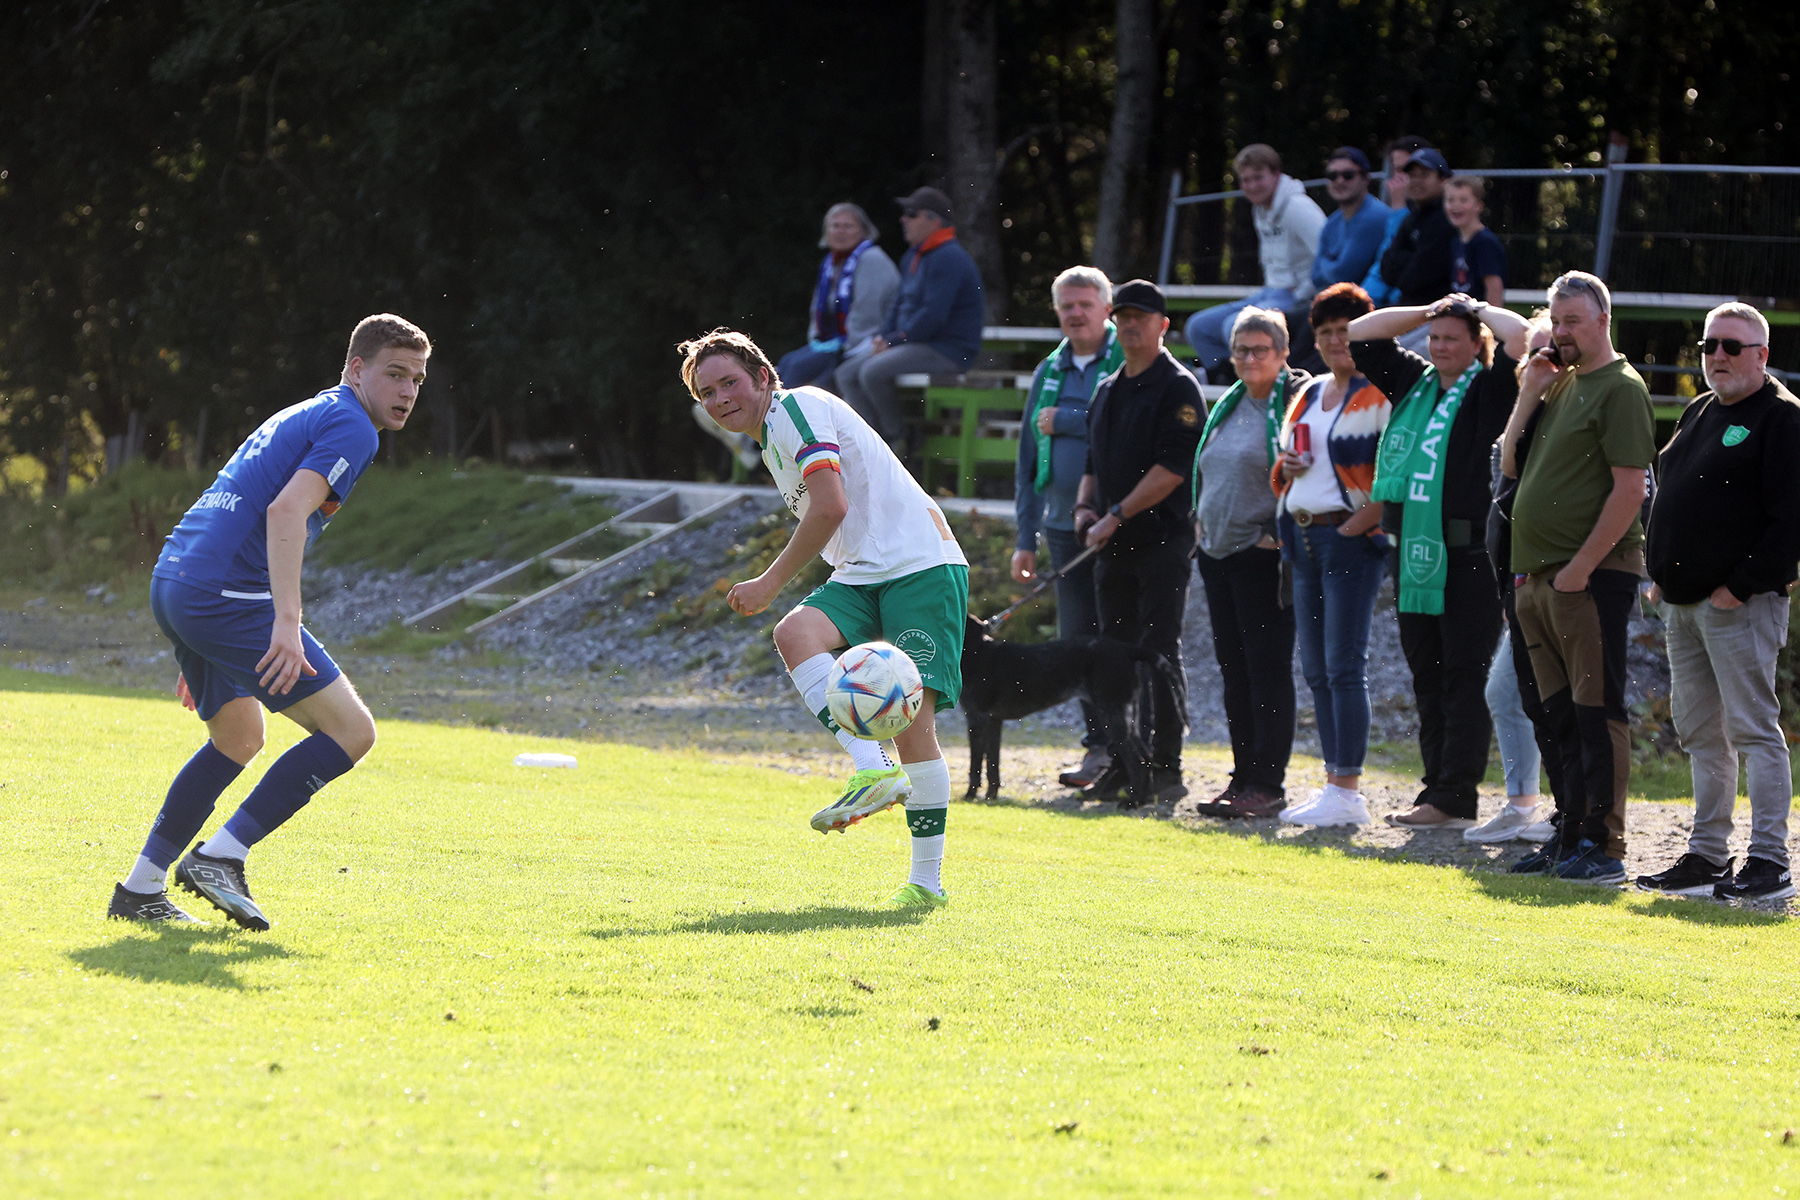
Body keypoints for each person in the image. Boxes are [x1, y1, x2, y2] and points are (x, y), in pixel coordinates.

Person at [108, 314, 432, 928]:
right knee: (352, 732)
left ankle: (140, 891)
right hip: (225, 593)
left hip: (179, 579)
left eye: (417, 379)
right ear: (356, 369)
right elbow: (284, 514)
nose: (408, 390)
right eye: (395, 374)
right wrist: (286, 620)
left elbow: (240, 497)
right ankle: (221, 856)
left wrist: (199, 632)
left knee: (238, 737)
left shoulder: (305, 411)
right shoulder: (352, 426)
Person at [683, 329, 968, 908]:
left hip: (919, 566)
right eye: (706, 393)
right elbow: (835, 512)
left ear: (763, 376)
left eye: (729, 383)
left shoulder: (794, 408)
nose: (719, 400)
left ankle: (926, 884)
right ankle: (871, 768)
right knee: (796, 633)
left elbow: (830, 505)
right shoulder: (769, 436)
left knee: (914, 727)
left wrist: (769, 581)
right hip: (865, 571)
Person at [1347, 294, 1530, 829]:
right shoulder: (1414, 382)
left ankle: (1456, 795)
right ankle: (1437, 791)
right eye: (1436, 338)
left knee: (1462, 674)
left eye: (1454, 337)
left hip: (1469, 554)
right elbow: (1362, 331)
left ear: (1477, 345)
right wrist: (1431, 310)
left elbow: (1521, 338)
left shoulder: (1492, 386)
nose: (1441, 345)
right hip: (1413, 555)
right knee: (1426, 673)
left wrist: (1476, 307)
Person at [1636, 303, 1800, 902]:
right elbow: (1670, 493)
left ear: (1762, 355)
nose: (1717, 357)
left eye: (1732, 346)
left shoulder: (1782, 418)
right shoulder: (1700, 409)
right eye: (1708, 346)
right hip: (1680, 603)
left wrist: (1739, 585)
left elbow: (1791, 523)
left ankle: (1770, 862)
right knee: (1702, 733)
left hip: (1739, 605)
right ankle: (1707, 856)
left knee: (1755, 731)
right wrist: (1658, 574)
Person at [1499, 271, 1657, 883]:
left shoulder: (1620, 388)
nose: (1561, 332)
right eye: (1555, 321)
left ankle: (1604, 846)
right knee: (1557, 713)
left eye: (1572, 322)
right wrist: (1530, 392)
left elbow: (1628, 491)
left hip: (1587, 579)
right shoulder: (1558, 384)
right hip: (1536, 578)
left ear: (1602, 322)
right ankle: (1568, 834)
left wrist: (1579, 570)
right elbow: (1511, 462)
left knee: (1597, 711)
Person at [1073, 280, 1204, 803]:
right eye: (1123, 316)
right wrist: (1085, 506)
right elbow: (1092, 460)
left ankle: (1166, 767)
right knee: (1114, 657)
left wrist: (1116, 515)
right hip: (1112, 546)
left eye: (1141, 316)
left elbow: (1174, 469)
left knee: (1157, 652)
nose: (1130, 324)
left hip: (1160, 542)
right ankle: (1125, 761)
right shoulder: (1108, 388)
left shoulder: (1178, 387)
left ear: (1162, 325)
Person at [1268, 284, 1391, 828]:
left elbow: (1392, 473)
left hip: (1348, 538)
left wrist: (1359, 526)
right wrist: (1285, 470)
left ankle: (1348, 787)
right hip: (1300, 536)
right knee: (1316, 667)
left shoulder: (1381, 394)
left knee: (1344, 664)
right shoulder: (1309, 391)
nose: (1336, 341)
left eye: (1345, 331)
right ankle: (1332, 783)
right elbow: (1288, 463)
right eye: (1325, 332)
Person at [1189, 309, 1312, 819]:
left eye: (1261, 349)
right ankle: (1242, 777)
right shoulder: (1230, 403)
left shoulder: (1293, 406)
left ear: (1283, 355)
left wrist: (1271, 538)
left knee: (1266, 671)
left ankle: (1267, 783)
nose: (1249, 358)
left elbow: (1306, 476)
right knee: (1234, 673)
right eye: (1241, 349)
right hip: (1217, 555)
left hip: (1260, 559)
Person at [1011, 266, 1126, 789]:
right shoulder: (1049, 369)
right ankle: (1097, 752)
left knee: (1121, 639)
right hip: (1060, 527)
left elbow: (1126, 419)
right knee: (1077, 641)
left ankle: (1134, 753)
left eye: (1085, 304)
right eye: (1066, 307)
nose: (1075, 314)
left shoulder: (1126, 358)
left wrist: (1068, 420)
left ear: (1107, 308)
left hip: (1119, 524)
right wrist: (1023, 537)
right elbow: (1027, 456)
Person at [1464, 316, 1560, 846]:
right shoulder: (1522, 420)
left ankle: (1578, 817)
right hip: (1521, 585)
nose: (1541, 364)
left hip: (1572, 585)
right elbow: (1505, 503)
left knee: (1569, 703)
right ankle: (1524, 805)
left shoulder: (1593, 409)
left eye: (1553, 353)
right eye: (1533, 355)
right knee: (1506, 691)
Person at [835, 186, 984, 446]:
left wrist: (894, 341)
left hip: (946, 350)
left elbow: (933, 317)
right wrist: (884, 336)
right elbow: (897, 305)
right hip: (916, 344)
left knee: (872, 372)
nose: (904, 219)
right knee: (846, 373)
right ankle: (871, 442)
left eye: (912, 214)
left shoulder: (948, 257)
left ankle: (896, 438)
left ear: (933, 220)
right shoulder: (914, 255)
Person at [1183, 145, 1325, 381]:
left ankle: (1256, 386)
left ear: (1276, 174)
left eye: (1258, 178)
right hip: (1269, 292)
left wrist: (1305, 292)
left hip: (1297, 297)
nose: (1251, 186)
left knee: (1235, 327)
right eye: (1245, 180)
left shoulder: (1298, 207)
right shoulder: (1261, 209)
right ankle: (1225, 381)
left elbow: (1328, 253)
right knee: (1198, 327)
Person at [776, 203, 901, 389]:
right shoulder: (831, 263)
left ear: (864, 231)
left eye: (848, 226)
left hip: (864, 342)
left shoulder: (872, 259)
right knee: (786, 362)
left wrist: (844, 347)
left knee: (799, 369)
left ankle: (784, 417)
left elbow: (868, 312)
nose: (840, 231)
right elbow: (817, 308)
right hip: (833, 342)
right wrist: (816, 340)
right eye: (835, 226)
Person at [1378, 149, 1458, 343]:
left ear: (1443, 180)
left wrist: (1405, 261)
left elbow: (1420, 277)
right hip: (1407, 309)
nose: (1416, 181)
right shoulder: (1410, 219)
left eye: (1424, 175)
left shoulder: (1447, 220)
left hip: (1438, 314)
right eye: (1412, 175)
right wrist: (1412, 260)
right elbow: (1386, 270)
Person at [1362, 136, 1434, 308]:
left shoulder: (1434, 217)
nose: (1399, 178)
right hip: (1379, 301)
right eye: (1396, 170)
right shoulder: (1398, 214)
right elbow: (1384, 265)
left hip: (1407, 305)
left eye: (1407, 170)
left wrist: (1400, 209)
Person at [1311, 149, 1391, 293]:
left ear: (1365, 179)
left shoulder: (1375, 216)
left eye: (1348, 175)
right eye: (1332, 176)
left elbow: (1344, 275)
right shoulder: (1332, 222)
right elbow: (1315, 277)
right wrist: (1333, 266)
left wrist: (1326, 262)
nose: (1339, 181)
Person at [1444, 177, 1506, 306]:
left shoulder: (1484, 243)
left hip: (1479, 319)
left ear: (1479, 206)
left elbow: (1494, 288)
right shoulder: (1456, 242)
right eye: (1450, 200)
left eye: (1463, 200)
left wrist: (1490, 324)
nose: (1456, 205)